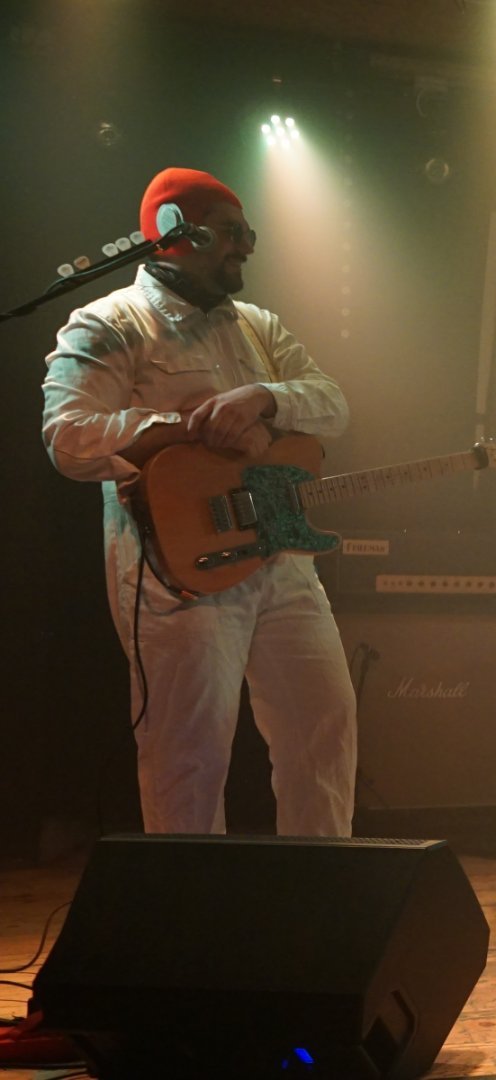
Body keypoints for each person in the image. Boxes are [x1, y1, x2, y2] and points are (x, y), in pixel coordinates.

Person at [41, 167, 357, 836]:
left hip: (281, 561)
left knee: (323, 731)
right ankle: (189, 902)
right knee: (188, 757)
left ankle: (324, 892)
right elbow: (68, 438)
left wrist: (264, 398)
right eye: (231, 232)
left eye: (250, 232)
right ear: (174, 234)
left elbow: (332, 403)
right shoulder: (108, 323)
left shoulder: (258, 325)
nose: (247, 246)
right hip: (177, 571)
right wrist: (187, 428)